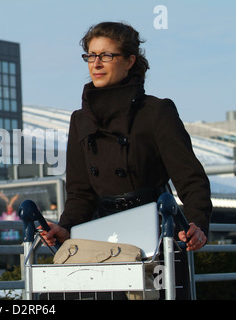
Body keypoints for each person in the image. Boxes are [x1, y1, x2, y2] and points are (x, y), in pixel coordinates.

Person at [42, 21, 212, 299]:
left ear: (130, 61)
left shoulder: (156, 111)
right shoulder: (80, 119)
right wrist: (64, 226)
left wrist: (197, 224)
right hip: (102, 235)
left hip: (156, 234)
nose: (96, 63)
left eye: (106, 55)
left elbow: (190, 178)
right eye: (91, 55)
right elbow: (80, 192)